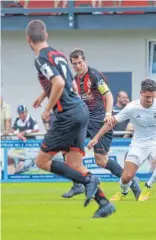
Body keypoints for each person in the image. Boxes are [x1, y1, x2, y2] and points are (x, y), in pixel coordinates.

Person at [26, 19, 114, 218]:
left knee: (41, 161)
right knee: (75, 164)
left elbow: (57, 82)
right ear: (46, 36)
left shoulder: (40, 58)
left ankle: (90, 181)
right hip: (80, 110)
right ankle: (104, 203)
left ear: (28, 40)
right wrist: (44, 95)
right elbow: (71, 86)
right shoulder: (58, 54)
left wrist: (48, 109)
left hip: (66, 115)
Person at [88, 79, 156, 201]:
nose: (149, 100)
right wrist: (96, 137)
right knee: (126, 177)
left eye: (152, 96)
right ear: (141, 93)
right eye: (147, 96)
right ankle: (123, 192)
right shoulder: (131, 107)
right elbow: (112, 123)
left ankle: (148, 185)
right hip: (139, 144)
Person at [61, 48, 141, 200]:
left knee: (101, 160)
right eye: (75, 64)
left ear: (85, 61)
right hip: (83, 120)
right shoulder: (75, 80)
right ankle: (77, 184)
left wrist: (109, 114)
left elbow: (109, 96)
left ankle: (132, 181)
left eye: (80, 62)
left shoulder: (94, 75)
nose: (78, 66)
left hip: (99, 122)